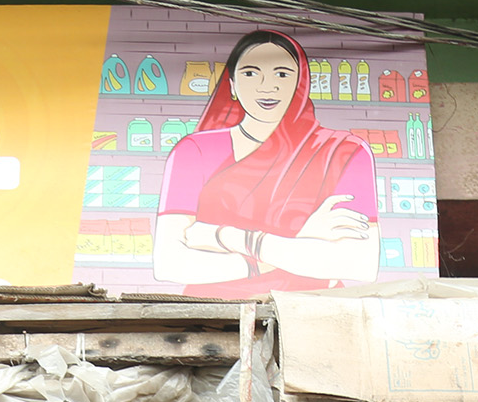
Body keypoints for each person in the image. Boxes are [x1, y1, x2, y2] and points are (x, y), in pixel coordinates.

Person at [150, 30, 381, 295]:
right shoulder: (193, 152)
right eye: (250, 73)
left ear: (301, 84)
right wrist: (295, 244)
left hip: (309, 312)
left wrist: (226, 237)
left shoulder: (344, 152)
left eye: (281, 74)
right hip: (213, 315)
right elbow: (170, 263)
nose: (266, 86)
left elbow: (359, 263)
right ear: (233, 85)